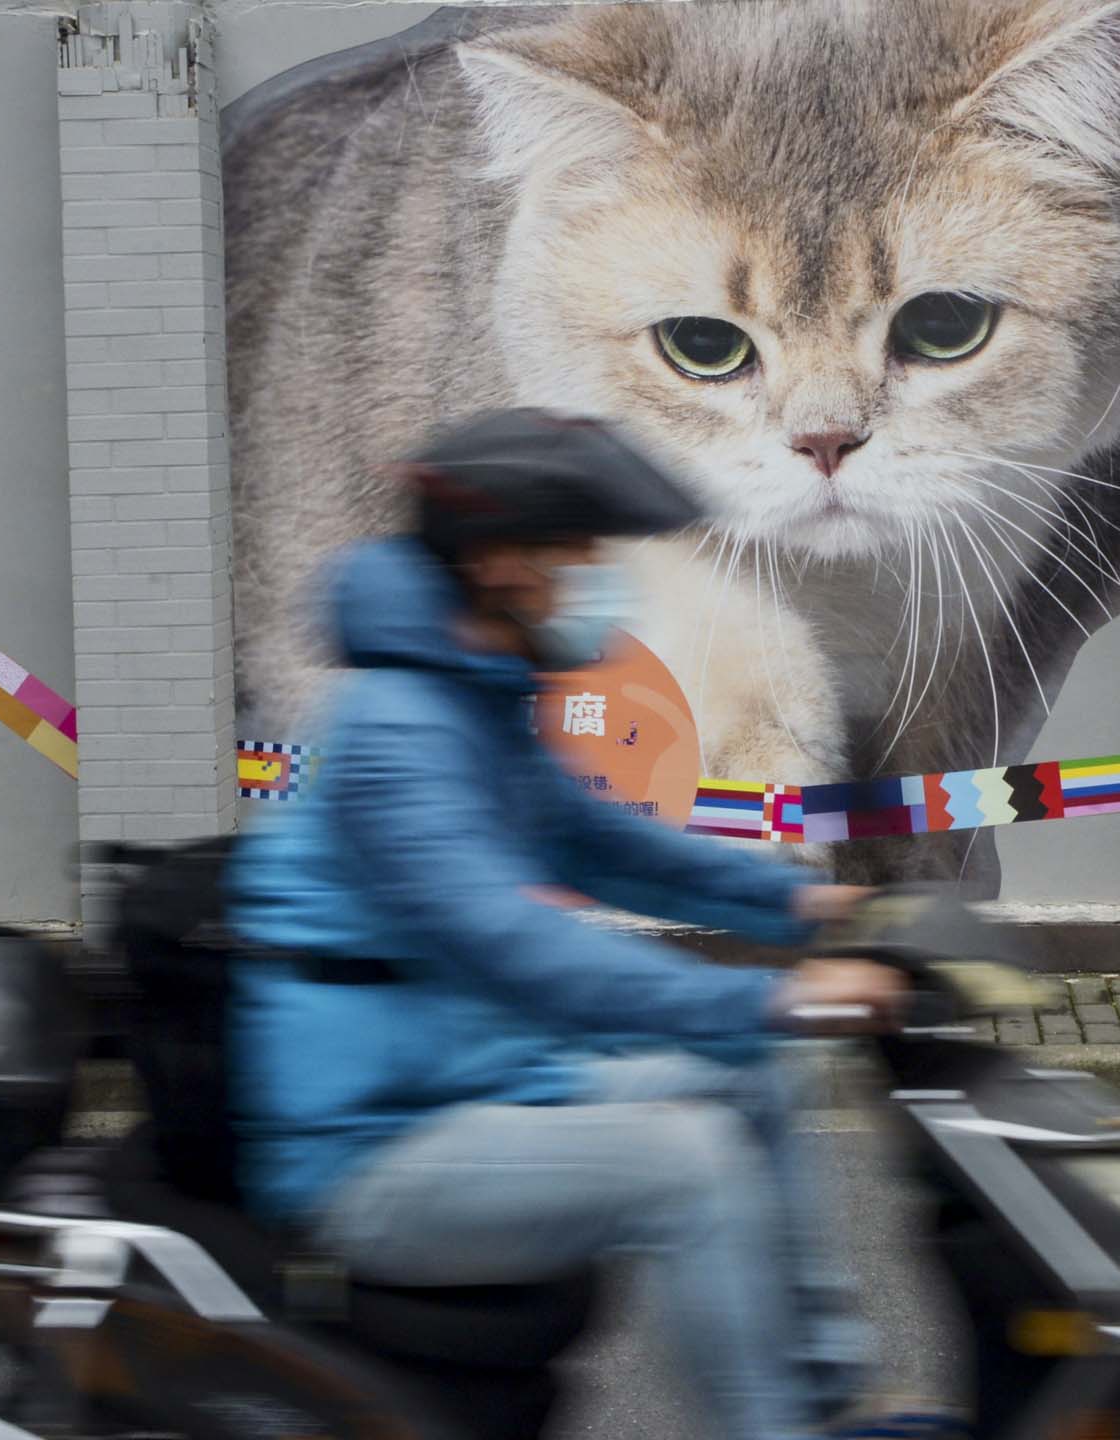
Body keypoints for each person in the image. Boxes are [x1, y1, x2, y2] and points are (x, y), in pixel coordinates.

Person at [224, 409, 910, 1440]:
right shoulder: (395, 733)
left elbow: (601, 844)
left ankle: (822, 1395)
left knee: (750, 1073)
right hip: (372, 1149)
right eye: (577, 550)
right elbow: (519, 948)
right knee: (690, 1167)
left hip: (469, 1076)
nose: (601, 577)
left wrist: (803, 899)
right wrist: (777, 995)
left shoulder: (475, 698)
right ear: (500, 563)